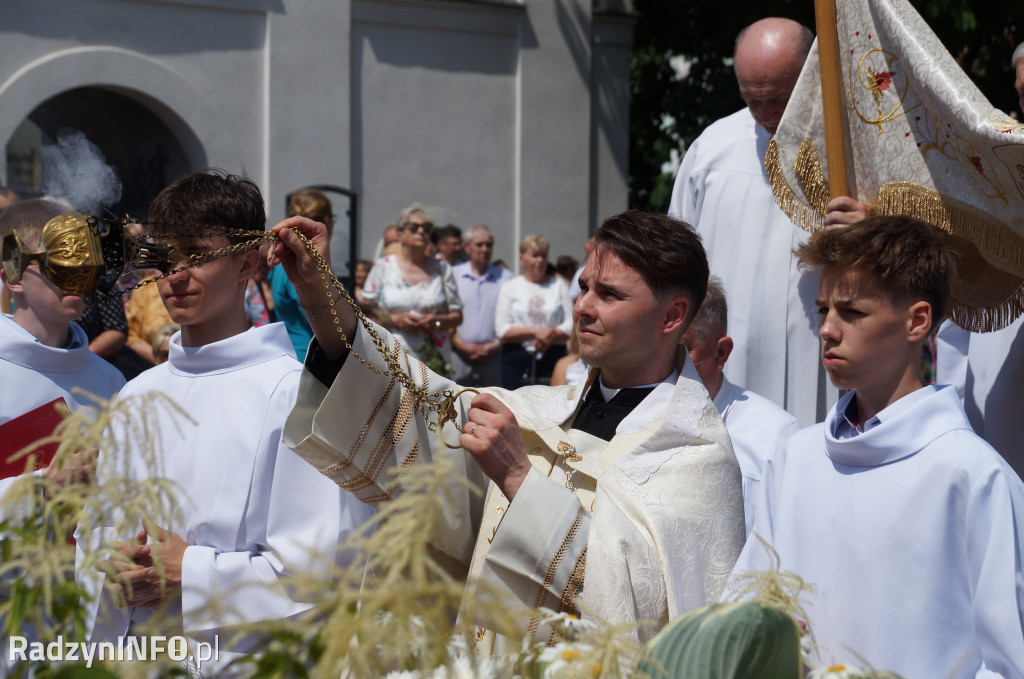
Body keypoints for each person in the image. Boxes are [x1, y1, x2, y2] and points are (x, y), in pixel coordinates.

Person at [271, 209, 745, 646]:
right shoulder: (535, 413)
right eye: (583, 287)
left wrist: (520, 479)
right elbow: (415, 403)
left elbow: (652, 617)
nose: (582, 307)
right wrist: (322, 296)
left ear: (672, 315)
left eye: (610, 294)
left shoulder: (696, 458)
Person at [81, 171, 374, 674]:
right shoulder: (135, 396)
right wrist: (111, 560)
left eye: (196, 254)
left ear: (247, 263)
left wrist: (190, 575)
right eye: (165, 258)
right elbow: (96, 533)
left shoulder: (292, 395)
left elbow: (326, 568)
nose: (176, 274)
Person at [731, 216, 1024, 678]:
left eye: (852, 312)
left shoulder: (972, 476)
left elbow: (1009, 663)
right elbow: (748, 599)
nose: (826, 329)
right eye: (823, 309)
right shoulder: (795, 458)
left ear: (917, 321)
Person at [668, 18, 839, 427]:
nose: (765, 114)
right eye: (751, 98)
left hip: (812, 345)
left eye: (778, 98)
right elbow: (673, 259)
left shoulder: (848, 147)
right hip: (722, 353)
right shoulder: (712, 149)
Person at [0, 198, 126, 477]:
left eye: (83, 264)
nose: (76, 277)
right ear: (14, 276)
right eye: (59, 262)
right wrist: (42, 488)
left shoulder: (111, 382)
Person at [680, 276, 800, 537]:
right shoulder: (631, 417)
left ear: (720, 353)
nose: (665, 362)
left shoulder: (774, 439)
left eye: (682, 348)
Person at [361, 204, 463, 369]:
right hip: (391, 357)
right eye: (414, 227)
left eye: (427, 228)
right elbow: (365, 313)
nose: (421, 232)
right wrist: (395, 320)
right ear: (400, 234)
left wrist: (436, 321)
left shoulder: (442, 268)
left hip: (434, 360)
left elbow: (457, 316)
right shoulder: (383, 267)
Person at [495, 235, 573, 389]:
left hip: (553, 356)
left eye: (543, 255)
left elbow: (571, 322)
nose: (540, 260)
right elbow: (502, 329)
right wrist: (536, 332)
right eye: (535, 255)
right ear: (522, 258)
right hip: (517, 359)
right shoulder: (510, 287)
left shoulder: (559, 285)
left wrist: (550, 335)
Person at [268, 188, 335, 361]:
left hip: (291, 353)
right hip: (310, 359)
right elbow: (325, 318)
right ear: (326, 221)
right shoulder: (301, 264)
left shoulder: (283, 261)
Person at [450, 224, 513, 387]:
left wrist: (496, 345)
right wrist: (461, 345)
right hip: (458, 353)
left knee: (492, 404)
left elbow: (512, 316)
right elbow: (446, 312)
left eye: (489, 245)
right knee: (456, 403)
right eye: (479, 244)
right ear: (467, 247)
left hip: (494, 355)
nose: (485, 249)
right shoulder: (453, 275)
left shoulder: (505, 277)